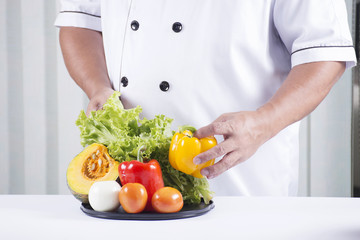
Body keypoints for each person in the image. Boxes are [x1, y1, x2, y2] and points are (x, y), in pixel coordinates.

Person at [55, 0, 357, 196]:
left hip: (238, 176)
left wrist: (264, 123)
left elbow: (325, 54)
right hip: (129, 177)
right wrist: (97, 87)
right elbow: (81, 22)